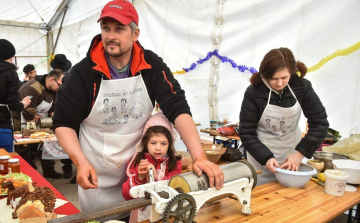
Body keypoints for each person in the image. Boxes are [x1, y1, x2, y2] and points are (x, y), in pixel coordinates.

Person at [53, 0, 223, 219]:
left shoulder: (151, 66)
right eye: (106, 28)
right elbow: (64, 123)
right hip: (97, 178)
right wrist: (80, 162)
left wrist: (198, 156)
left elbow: (177, 107)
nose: (110, 36)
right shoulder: (82, 74)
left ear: (135, 34)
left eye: (119, 29)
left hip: (141, 173)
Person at [239, 47, 329, 186]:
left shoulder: (302, 88)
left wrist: (299, 155)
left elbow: (320, 123)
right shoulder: (254, 92)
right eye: (274, 79)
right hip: (261, 159)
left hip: (293, 155)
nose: (279, 83)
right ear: (265, 74)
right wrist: (266, 158)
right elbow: (246, 132)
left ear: (291, 73)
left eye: (284, 78)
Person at [122, 112, 182, 223]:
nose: (158, 148)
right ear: (145, 142)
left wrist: (155, 180)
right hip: (140, 216)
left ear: (170, 144)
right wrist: (139, 178)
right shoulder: (137, 162)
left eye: (163, 143)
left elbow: (174, 190)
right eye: (153, 143)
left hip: (164, 215)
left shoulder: (174, 163)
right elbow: (127, 195)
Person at [13, 68, 65, 179]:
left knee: (45, 145)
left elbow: (52, 108)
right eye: (59, 85)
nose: (60, 88)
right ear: (52, 80)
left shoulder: (53, 89)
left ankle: (48, 170)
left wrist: (55, 120)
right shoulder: (32, 88)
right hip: (25, 119)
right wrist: (34, 131)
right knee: (31, 145)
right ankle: (27, 172)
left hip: (41, 118)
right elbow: (28, 112)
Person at [0, 39, 31, 152]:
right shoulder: (10, 73)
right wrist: (24, 103)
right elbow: (13, 105)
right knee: (5, 163)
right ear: (11, 56)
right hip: (2, 125)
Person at [49, 53, 74, 179]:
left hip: (70, 109)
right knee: (66, 141)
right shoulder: (58, 79)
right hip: (63, 110)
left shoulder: (70, 77)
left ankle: (70, 167)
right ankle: (67, 167)